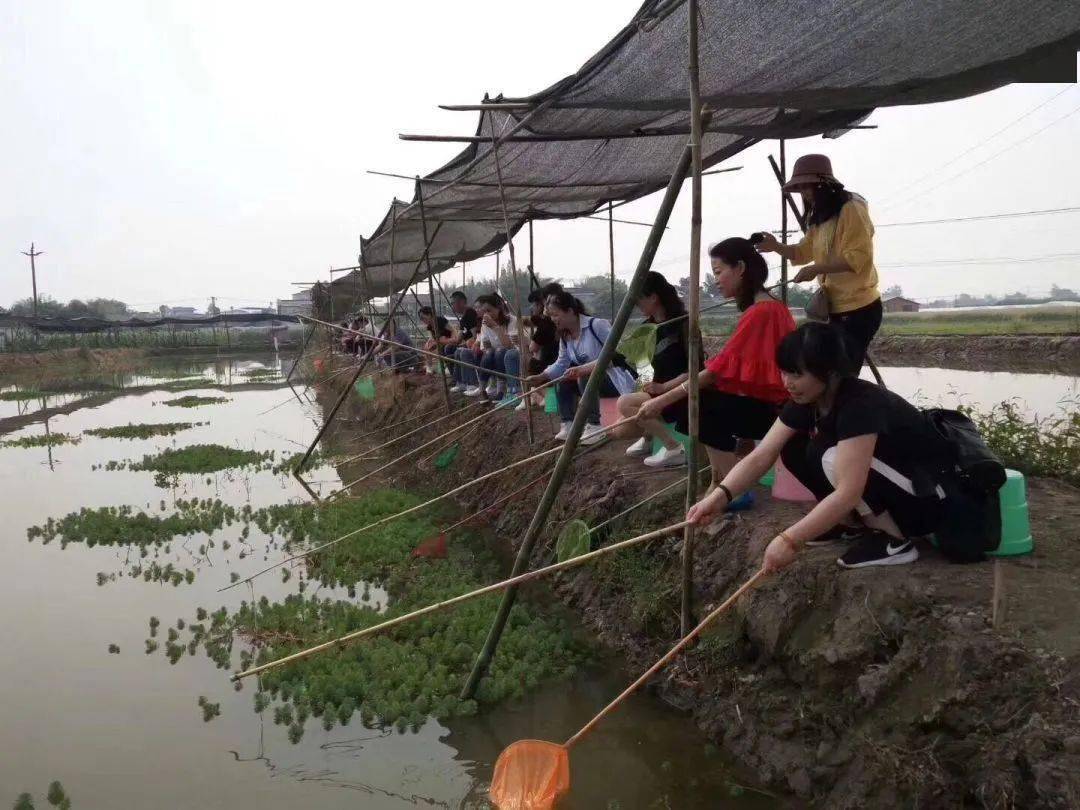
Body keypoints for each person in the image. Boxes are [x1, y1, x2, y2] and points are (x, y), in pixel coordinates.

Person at [687, 321, 951, 570]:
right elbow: (762, 455)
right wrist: (718, 498)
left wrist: (789, 540)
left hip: (928, 497)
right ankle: (849, 523)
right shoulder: (810, 399)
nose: (786, 382)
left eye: (797, 374)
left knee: (830, 455)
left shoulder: (860, 404)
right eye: (785, 371)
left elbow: (849, 490)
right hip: (895, 484)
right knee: (794, 447)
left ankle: (894, 540)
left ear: (831, 373)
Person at [636, 238, 795, 495]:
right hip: (769, 405)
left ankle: (729, 487)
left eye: (719, 272)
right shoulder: (645, 329)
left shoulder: (755, 313)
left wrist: (662, 396)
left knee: (697, 405)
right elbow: (633, 360)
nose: (716, 280)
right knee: (686, 402)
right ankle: (714, 478)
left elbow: (711, 369)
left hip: (764, 407)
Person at [755, 153, 882, 371]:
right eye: (800, 189)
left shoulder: (852, 209)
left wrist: (817, 268)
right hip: (833, 309)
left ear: (823, 185)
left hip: (859, 308)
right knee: (830, 371)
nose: (804, 194)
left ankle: (850, 404)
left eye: (807, 188)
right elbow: (802, 253)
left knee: (843, 374)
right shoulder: (820, 216)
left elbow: (858, 258)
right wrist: (776, 246)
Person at [525, 291, 636, 445]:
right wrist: (541, 376)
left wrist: (584, 369)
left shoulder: (596, 325)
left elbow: (617, 355)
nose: (553, 319)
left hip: (614, 380)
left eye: (555, 315)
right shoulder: (565, 336)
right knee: (564, 376)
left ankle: (594, 425)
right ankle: (568, 424)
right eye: (550, 316)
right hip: (589, 385)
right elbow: (561, 363)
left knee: (584, 375)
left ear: (570, 311)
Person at [613, 272, 700, 465]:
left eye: (639, 300)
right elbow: (642, 364)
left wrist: (663, 387)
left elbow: (696, 369)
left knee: (624, 403)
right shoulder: (646, 327)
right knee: (618, 431)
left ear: (653, 297)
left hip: (680, 392)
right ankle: (649, 436)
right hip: (656, 394)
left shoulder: (684, 323)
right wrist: (646, 384)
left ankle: (674, 448)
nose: (637, 305)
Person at [505, 286, 560, 411]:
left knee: (529, 360)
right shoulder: (546, 320)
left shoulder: (546, 324)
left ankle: (544, 398)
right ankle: (536, 396)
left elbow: (533, 348)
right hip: (554, 361)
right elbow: (529, 320)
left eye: (534, 304)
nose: (531, 308)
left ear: (542, 305)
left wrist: (522, 341)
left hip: (550, 364)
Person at [468, 293, 517, 401]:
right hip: (495, 355)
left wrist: (495, 326)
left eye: (489, 310)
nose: (486, 314)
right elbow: (486, 345)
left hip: (511, 355)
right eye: (484, 311)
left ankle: (501, 390)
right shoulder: (485, 324)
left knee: (500, 351)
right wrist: (488, 350)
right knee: (489, 352)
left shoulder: (511, 320)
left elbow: (508, 345)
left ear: (499, 308)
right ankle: (482, 389)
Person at [447, 291, 481, 394]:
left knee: (460, 351)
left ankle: (471, 383)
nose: (452, 306)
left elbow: (476, 336)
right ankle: (459, 381)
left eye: (453, 303)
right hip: (468, 344)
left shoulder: (470, 313)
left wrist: (467, 343)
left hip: (476, 345)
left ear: (462, 302)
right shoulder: (463, 318)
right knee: (450, 348)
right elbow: (458, 339)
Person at [418, 305, 457, 375]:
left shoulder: (440, 320)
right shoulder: (429, 326)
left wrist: (452, 340)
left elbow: (453, 330)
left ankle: (447, 366)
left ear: (429, 315)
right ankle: (429, 367)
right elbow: (432, 337)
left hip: (447, 340)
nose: (422, 320)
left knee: (442, 343)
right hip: (440, 342)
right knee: (427, 347)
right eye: (421, 319)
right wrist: (429, 342)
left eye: (423, 317)